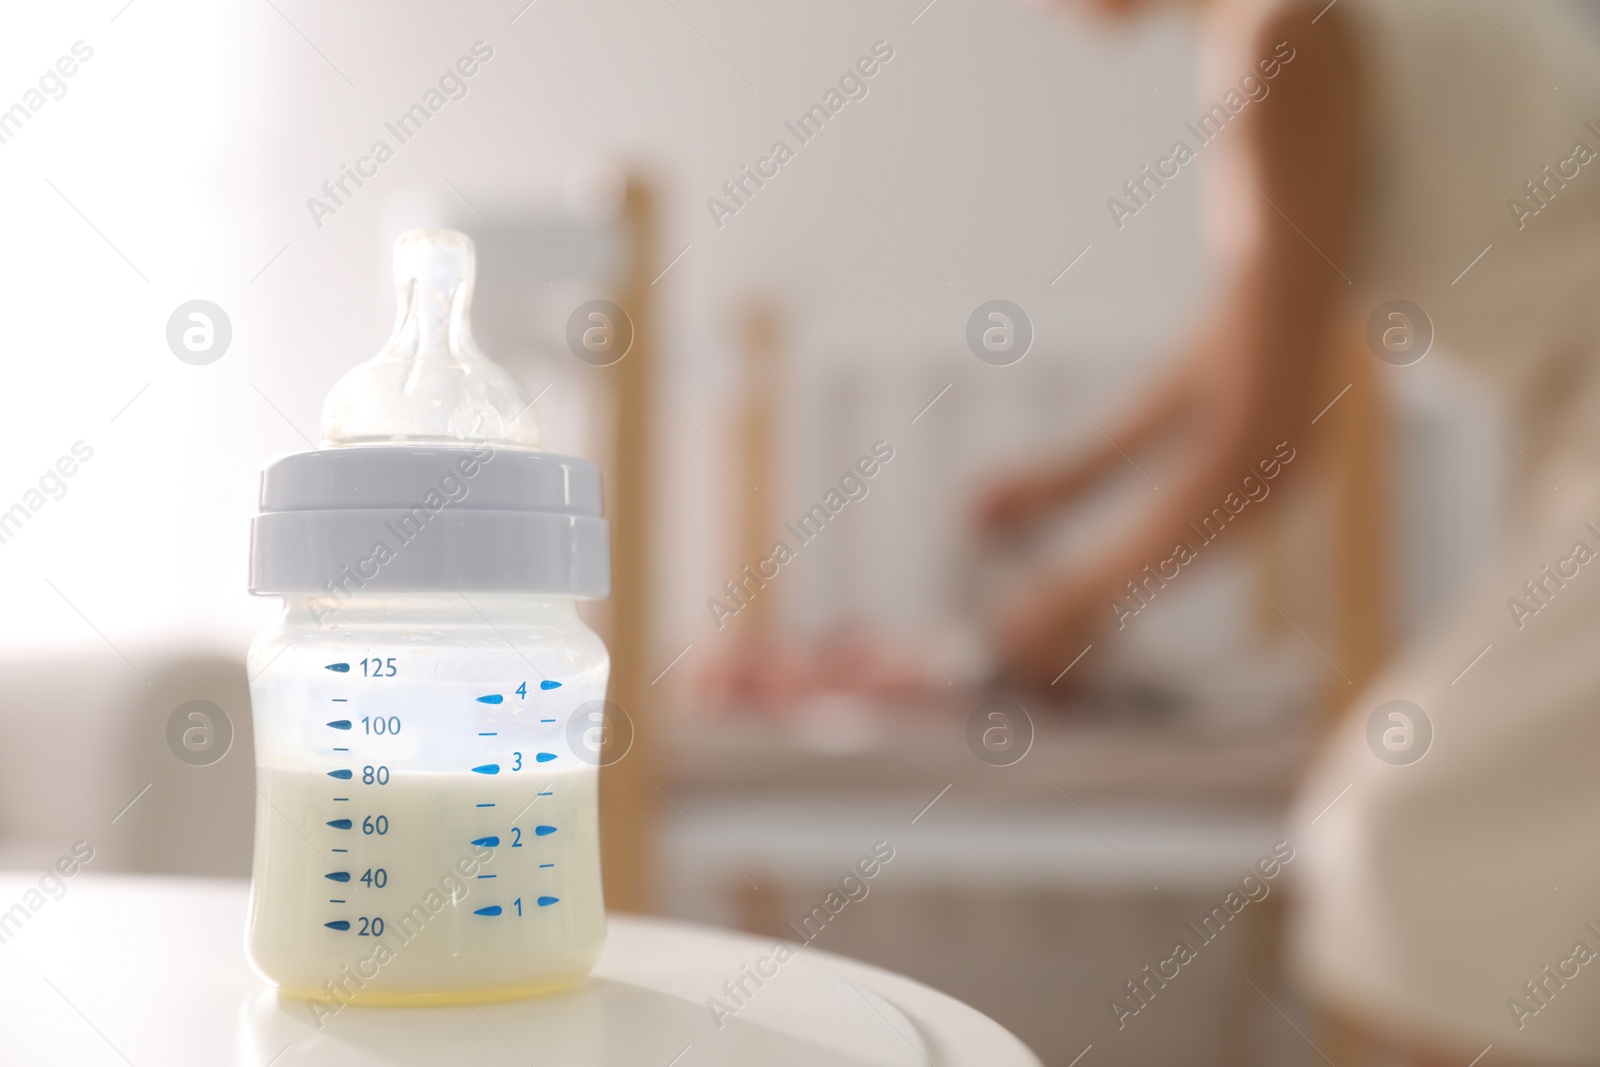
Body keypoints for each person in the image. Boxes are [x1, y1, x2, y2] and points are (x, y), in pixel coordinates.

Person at [978, 0, 1600, 1062]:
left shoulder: (1282, 46)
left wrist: (1079, 600)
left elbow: (1267, 445)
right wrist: (1076, 476)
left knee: (1403, 830)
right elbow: (1258, 305)